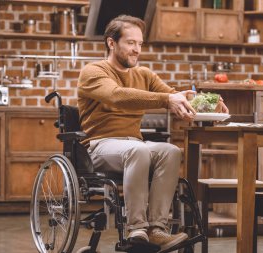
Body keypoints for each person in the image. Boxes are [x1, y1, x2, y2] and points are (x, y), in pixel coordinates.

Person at [77, 15, 227, 251]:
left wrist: (210, 102)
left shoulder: (144, 74)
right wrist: (167, 99)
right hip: (100, 146)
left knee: (170, 151)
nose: (137, 50)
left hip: (133, 145)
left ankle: (157, 229)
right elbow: (117, 95)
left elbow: (177, 97)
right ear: (111, 43)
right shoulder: (93, 71)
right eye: (130, 43)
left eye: (140, 44)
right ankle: (136, 228)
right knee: (138, 150)